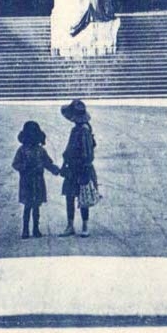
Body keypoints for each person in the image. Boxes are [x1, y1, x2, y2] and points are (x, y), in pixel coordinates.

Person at [12, 121, 60, 239]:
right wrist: (24, 168)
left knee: (35, 206)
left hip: (37, 181)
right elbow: (15, 164)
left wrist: (56, 170)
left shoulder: (40, 150)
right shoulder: (22, 150)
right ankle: (25, 229)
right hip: (27, 181)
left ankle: (35, 229)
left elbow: (47, 163)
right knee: (29, 206)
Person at [59, 99, 100, 237]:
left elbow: (83, 152)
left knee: (76, 197)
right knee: (80, 197)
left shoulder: (81, 131)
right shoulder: (85, 129)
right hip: (80, 168)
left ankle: (76, 226)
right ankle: (81, 226)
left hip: (79, 168)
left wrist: (69, 161)